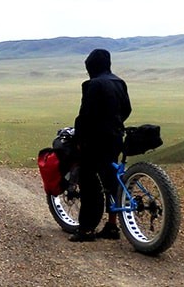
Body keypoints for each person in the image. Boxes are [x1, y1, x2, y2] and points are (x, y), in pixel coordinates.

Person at [69, 49, 132, 242]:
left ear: (91, 67)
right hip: (115, 137)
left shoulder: (93, 84)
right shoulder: (119, 82)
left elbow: (85, 116)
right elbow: (127, 109)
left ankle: (86, 229)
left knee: (88, 180)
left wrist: (79, 139)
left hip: (95, 141)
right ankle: (112, 226)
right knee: (111, 180)